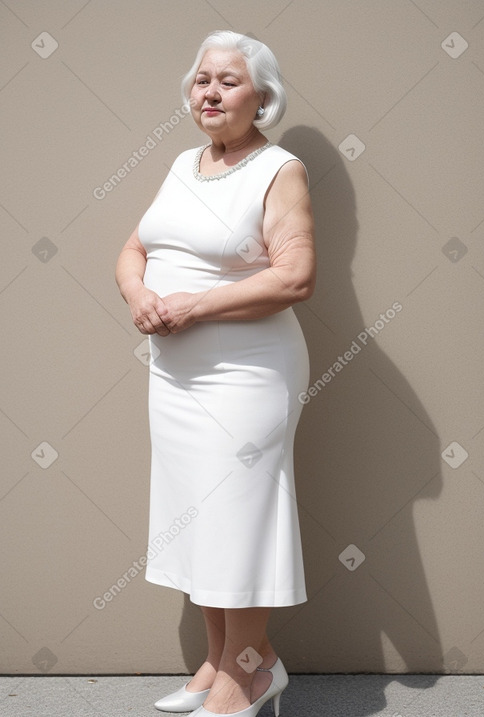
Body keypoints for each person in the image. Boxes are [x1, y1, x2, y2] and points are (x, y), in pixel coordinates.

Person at [115, 30, 316, 717]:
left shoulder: (280, 169)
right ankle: (216, 663)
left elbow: (295, 275)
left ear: (262, 97)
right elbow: (135, 248)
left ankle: (249, 675)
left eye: (229, 80)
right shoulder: (181, 164)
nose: (210, 91)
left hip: (247, 374)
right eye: (202, 78)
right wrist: (140, 295)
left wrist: (196, 304)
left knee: (238, 519)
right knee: (196, 517)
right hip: (175, 378)